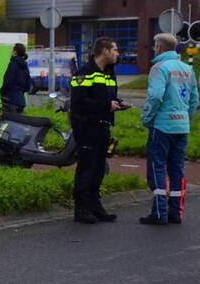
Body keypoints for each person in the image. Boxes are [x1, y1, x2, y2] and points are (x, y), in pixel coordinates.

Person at [138, 33, 199, 225]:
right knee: (177, 169)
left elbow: (155, 96)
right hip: (181, 127)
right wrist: (185, 118)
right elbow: (194, 100)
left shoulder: (159, 68)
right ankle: (176, 213)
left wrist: (146, 118)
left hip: (162, 126)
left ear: (159, 48)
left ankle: (159, 212)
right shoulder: (187, 69)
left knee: (157, 167)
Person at [70, 36, 129, 224]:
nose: (118, 53)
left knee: (99, 168)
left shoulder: (109, 73)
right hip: (87, 127)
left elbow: (108, 97)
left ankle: (94, 205)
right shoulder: (84, 73)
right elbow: (78, 102)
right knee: (86, 168)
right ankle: (81, 208)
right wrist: (106, 105)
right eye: (115, 50)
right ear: (105, 51)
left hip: (103, 126)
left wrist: (118, 103)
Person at [0, 43, 33, 113]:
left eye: (12, 50)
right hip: (21, 100)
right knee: (20, 119)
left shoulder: (13, 63)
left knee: (9, 119)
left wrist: (2, 91)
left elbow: (7, 80)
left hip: (11, 99)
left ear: (15, 52)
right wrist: (21, 92)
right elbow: (28, 83)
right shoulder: (25, 65)